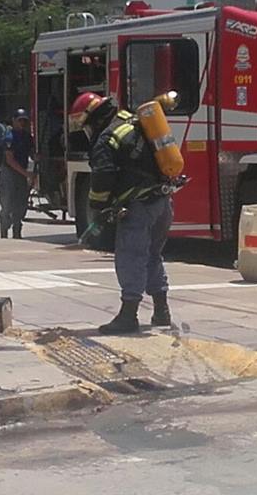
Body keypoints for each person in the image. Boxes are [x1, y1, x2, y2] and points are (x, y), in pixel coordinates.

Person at [74, 92, 173, 334]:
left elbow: (103, 177)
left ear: (94, 119)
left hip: (138, 207)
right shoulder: (134, 121)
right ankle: (162, 311)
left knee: (130, 258)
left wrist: (97, 208)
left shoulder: (107, 139)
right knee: (152, 255)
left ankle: (128, 316)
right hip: (163, 202)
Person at [0, 109, 35, 239]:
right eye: (20, 120)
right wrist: (26, 174)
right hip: (9, 173)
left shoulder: (27, 137)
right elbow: (10, 160)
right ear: (13, 121)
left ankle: (17, 230)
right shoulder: (9, 137)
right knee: (7, 203)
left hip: (21, 173)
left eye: (24, 120)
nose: (22, 123)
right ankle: (4, 230)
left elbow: (31, 153)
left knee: (21, 203)